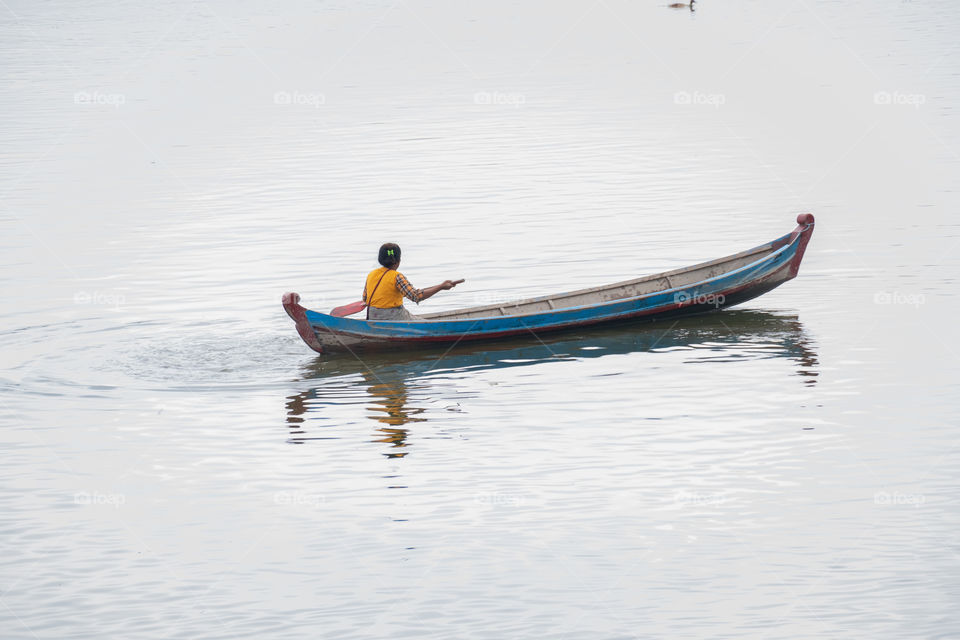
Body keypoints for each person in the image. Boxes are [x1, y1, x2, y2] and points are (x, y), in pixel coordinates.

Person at [362, 243, 463, 320]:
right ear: (399, 260)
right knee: (425, 324)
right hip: (394, 318)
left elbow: (365, 299)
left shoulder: (371, 274)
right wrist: (440, 287)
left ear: (380, 259)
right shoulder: (397, 277)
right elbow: (416, 296)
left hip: (373, 317)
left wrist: (440, 285)